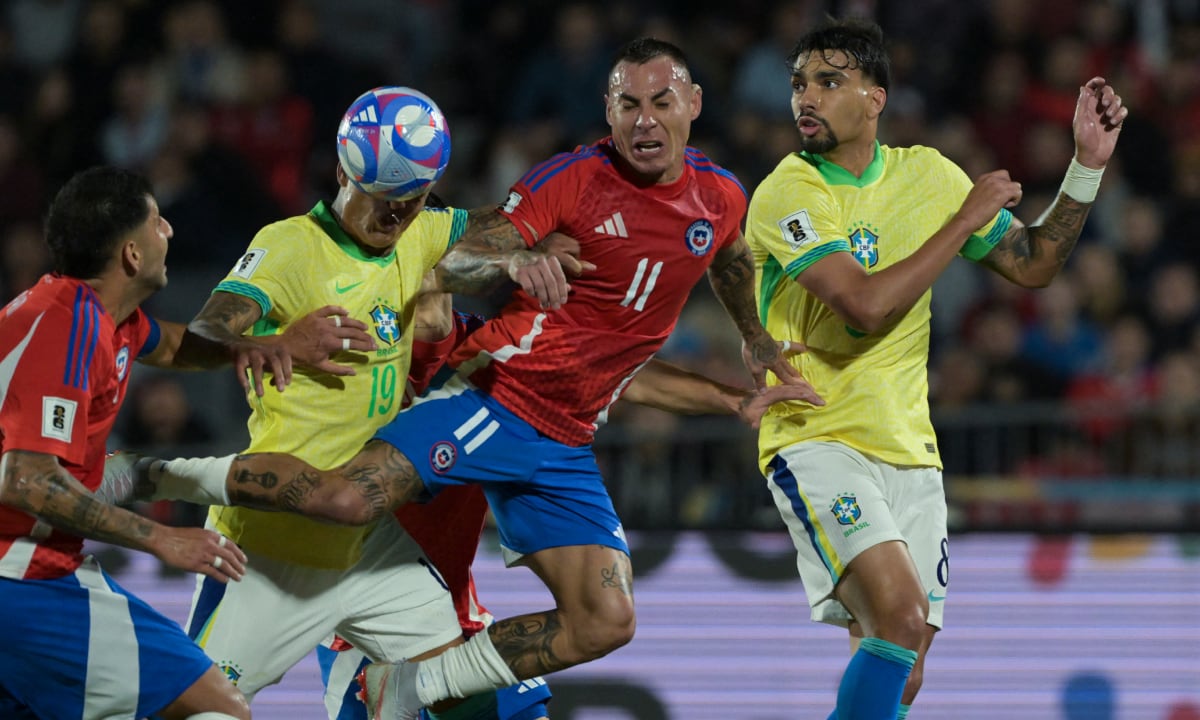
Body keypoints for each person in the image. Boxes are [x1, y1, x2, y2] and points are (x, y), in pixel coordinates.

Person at [146, 38, 812, 720]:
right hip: (299, 541)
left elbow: (617, 359)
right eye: (629, 104)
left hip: (422, 565)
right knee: (212, 691)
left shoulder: (436, 238)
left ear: (694, 105)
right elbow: (462, 262)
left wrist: (745, 359)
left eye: (661, 103)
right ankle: (153, 477)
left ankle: (400, 688)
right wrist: (271, 338)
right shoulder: (324, 261)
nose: (400, 217)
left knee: (602, 624)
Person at [117, 86, 585, 718]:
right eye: (383, 203)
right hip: (274, 548)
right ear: (342, 170)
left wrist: (527, 257)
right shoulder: (288, 246)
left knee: (470, 694)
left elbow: (486, 231)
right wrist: (274, 339)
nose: (396, 220)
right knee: (198, 710)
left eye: (411, 203)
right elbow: (204, 333)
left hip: (370, 549)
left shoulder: (419, 231)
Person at [742, 18, 1126, 720]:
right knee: (901, 618)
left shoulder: (929, 175)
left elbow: (1034, 264)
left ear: (875, 97)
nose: (807, 97)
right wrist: (962, 222)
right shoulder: (786, 191)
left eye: (830, 82)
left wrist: (1086, 166)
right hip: (817, 436)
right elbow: (863, 306)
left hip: (911, 450)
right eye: (800, 83)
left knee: (904, 664)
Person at [316, 265, 820, 720]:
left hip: (454, 615)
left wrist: (734, 401)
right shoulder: (358, 365)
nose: (417, 288)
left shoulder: (497, 355)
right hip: (360, 627)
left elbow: (621, 378)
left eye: (430, 270)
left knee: (576, 649)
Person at [0, 165, 282, 720]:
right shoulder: (65, 327)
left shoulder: (102, 318)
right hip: (23, 580)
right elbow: (26, 479)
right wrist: (161, 538)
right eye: (157, 220)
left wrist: (261, 343)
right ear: (131, 253)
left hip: (34, 576)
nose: (170, 231)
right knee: (219, 709)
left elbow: (178, 346)